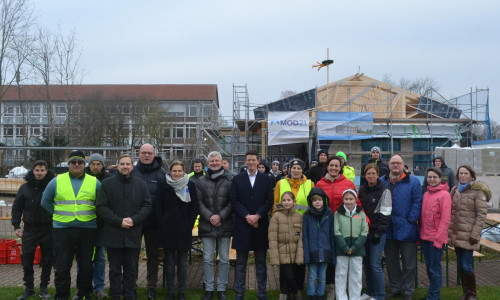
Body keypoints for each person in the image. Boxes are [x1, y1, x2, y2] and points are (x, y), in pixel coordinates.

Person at [41, 150, 101, 300]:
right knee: (62, 266)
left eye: (80, 162)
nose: (76, 164)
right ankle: (62, 296)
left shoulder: (95, 182)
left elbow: (101, 205)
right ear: (68, 163)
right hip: (62, 230)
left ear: (84, 164)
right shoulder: (56, 181)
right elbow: (45, 202)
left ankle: (83, 294)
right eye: (73, 162)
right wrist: (57, 215)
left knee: (86, 266)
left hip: (87, 230)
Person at [96, 154, 152, 300]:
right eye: (122, 164)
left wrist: (134, 220)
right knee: (114, 269)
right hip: (113, 233)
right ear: (117, 166)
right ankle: (115, 295)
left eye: (128, 164)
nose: (125, 166)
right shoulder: (107, 184)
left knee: (131, 269)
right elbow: (101, 207)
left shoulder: (140, 184)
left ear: (132, 166)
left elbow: (147, 205)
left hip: (133, 234)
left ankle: (129, 295)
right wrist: (118, 221)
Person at [230, 149, 274, 300]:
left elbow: (269, 200)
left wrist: (258, 216)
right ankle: (239, 294)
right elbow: (234, 200)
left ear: (258, 161)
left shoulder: (267, 179)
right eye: (248, 160)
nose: (250, 162)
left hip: (260, 226)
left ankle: (262, 293)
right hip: (242, 225)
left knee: (261, 263)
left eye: (253, 160)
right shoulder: (237, 179)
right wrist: (248, 216)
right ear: (245, 161)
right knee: (240, 263)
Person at [316, 155, 360, 299]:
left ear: (340, 167)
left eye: (336, 165)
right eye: (331, 165)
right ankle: (331, 288)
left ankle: (344, 288)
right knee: (328, 257)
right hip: (325, 226)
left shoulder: (348, 183)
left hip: (344, 226)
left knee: (342, 257)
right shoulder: (320, 184)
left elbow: (357, 204)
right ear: (327, 167)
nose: (334, 168)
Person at [12, 160, 55, 300]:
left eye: (42, 170)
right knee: (27, 258)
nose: (39, 173)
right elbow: (17, 207)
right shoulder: (24, 187)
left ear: (46, 171)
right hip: (29, 229)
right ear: (33, 171)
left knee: (47, 260)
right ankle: (29, 288)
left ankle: (44, 289)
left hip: (48, 228)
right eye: (37, 170)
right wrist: (16, 225)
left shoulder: (52, 186)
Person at [380, 155, 422, 300]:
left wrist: (411, 219)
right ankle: (396, 288)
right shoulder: (382, 181)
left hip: (407, 227)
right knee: (391, 262)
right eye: (393, 163)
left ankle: (408, 290)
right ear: (389, 165)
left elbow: (417, 201)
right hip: (388, 227)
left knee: (409, 262)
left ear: (403, 165)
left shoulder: (413, 181)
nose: (396, 165)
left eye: (398, 163)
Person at [156, 161, 199, 300]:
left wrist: (189, 224)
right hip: (167, 229)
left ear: (184, 171)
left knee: (182, 262)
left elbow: (194, 208)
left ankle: (181, 292)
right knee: (169, 262)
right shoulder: (163, 185)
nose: (177, 174)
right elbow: (158, 206)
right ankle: (169, 292)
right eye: (174, 171)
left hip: (183, 230)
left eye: (179, 171)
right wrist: (162, 223)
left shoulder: (190, 185)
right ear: (170, 171)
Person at [448, 165, 490, 300]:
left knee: (466, 266)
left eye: (466, 173)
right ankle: (465, 293)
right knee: (461, 265)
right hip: (456, 234)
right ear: (457, 175)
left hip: (469, 235)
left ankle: (472, 294)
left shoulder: (478, 192)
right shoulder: (455, 190)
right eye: (461, 173)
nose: (463, 176)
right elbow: (451, 212)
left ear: (471, 176)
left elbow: (481, 216)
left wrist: (475, 234)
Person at [197, 151, 234, 300]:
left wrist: (221, 216)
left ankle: (222, 288)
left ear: (221, 162)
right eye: (211, 161)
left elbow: (233, 201)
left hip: (225, 224)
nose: (214, 163)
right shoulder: (200, 181)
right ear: (207, 163)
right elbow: (198, 203)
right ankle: (209, 288)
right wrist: (210, 216)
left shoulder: (230, 179)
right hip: (207, 224)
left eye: (216, 160)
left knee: (224, 259)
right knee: (207, 259)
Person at [131, 143, 166, 299]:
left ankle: (151, 286)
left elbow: (165, 200)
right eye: (144, 152)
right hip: (134, 222)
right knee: (133, 255)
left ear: (154, 154)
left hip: (154, 223)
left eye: (149, 153)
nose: (146, 155)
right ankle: (131, 285)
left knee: (153, 256)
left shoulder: (162, 174)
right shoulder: (131, 172)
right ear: (139, 154)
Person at [358, 163, 392, 300]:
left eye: (373, 173)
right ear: (365, 175)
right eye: (368, 173)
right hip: (365, 232)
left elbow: (386, 212)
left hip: (378, 232)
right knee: (366, 264)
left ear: (378, 175)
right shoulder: (362, 189)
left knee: (375, 264)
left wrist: (379, 231)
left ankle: (379, 295)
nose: (371, 176)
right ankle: (369, 291)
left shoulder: (384, 190)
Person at [419, 167, 451, 300]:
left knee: (435, 269)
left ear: (440, 178)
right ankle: (432, 295)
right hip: (425, 237)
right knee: (429, 267)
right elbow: (422, 217)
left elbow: (445, 219)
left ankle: (433, 297)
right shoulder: (426, 194)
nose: (431, 179)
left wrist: (439, 239)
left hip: (436, 239)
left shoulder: (444, 195)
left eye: (434, 177)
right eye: (429, 177)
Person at [86, 153, 112, 299]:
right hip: (84, 223)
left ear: (103, 165)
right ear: (89, 165)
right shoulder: (82, 178)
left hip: (101, 225)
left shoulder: (108, 180)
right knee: (84, 257)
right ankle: (83, 286)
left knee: (100, 257)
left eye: (98, 164)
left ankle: (99, 287)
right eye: (93, 164)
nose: (96, 167)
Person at [269, 191, 304, 300]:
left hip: (294, 251)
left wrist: (300, 254)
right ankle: (297, 293)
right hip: (281, 251)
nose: (286, 202)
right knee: (289, 275)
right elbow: (272, 238)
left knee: (286, 278)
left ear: (294, 201)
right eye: (284, 200)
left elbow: (301, 238)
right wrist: (274, 258)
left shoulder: (299, 216)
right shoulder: (276, 216)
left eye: (289, 200)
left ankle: (284, 296)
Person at [334, 189, 368, 300]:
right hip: (341, 248)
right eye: (346, 199)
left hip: (357, 249)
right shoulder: (337, 213)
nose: (348, 201)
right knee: (341, 275)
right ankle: (341, 297)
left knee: (356, 275)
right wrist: (344, 247)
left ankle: (355, 297)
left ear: (355, 199)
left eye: (351, 199)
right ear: (343, 200)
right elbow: (336, 231)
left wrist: (354, 248)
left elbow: (364, 232)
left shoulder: (361, 214)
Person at [302, 188, 335, 300]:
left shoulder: (329, 215)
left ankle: (320, 295)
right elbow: (305, 236)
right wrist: (306, 254)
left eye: (320, 199)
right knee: (311, 276)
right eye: (314, 200)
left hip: (326, 251)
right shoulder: (307, 216)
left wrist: (332, 253)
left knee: (322, 276)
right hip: (312, 251)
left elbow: (332, 235)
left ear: (324, 201)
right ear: (310, 202)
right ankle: (311, 295)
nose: (317, 202)